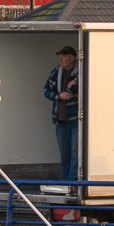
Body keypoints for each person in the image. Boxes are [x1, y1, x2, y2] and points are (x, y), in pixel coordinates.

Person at [42, 46, 79, 183]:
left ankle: (73, 182)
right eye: (60, 56)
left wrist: (75, 83)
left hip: (76, 119)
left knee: (76, 152)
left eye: (64, 56)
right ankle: (67, 183)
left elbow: (85, 86)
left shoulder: (80, 72)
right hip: (60, 120)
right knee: (65, 154)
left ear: (72, 58)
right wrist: (59, 96)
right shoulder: (56, 72)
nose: (61, 59)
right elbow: (46, 90)